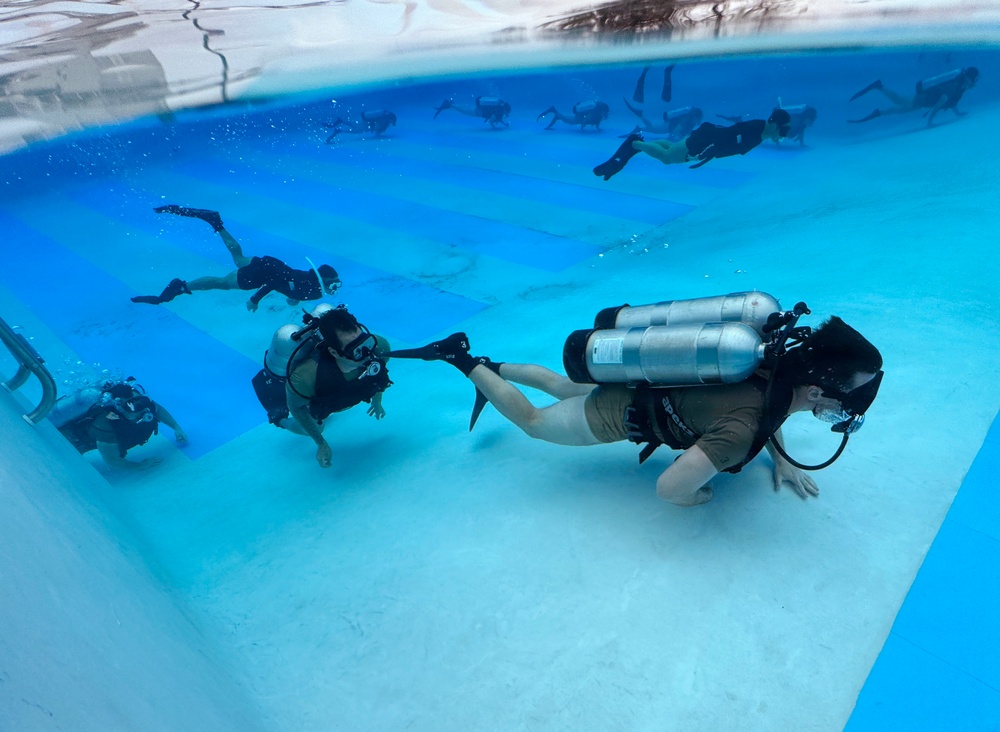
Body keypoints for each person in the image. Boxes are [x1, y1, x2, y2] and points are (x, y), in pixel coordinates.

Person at [389, 312, 883, 507]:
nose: (845, 413)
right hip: (614, 414)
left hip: (631, 377)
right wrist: (700, 497)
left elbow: (772, 415)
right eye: (848, 402)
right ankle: (460, 359)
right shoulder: (741, 428)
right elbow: (669, 489)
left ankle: (490, 363)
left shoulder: (765, 361)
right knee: (536, 423)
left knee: (564, 386)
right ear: (816, 391)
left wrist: (785, 460)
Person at [132, 206, 341, 311]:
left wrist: (293, 296)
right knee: (223, 283)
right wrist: (254, 299)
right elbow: (275, 283)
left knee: (238, 257)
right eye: (332, 283)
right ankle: (182, 286)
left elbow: (290, 284)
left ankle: (216, 223)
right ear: (321, 281)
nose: (334, 287)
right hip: (264, 274)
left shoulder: (311, 287)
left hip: (272, 264)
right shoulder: (312, 291)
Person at [256, 306, 391, 468]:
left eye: (365, 342)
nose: (367, 353)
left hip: (339, 395)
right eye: (354, 350)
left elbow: (379, 375)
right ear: (334, 353)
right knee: (316, 427)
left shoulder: (378, 347)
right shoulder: (305, 377)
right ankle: (280, 420)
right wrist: (321, 443)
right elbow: (296, 408)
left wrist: (377, 400)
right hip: (315, 397)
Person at [593, 108, 792, 180]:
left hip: (708, 137)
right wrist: (710, 150)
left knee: (672, 150)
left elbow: (734, 146)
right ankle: (636, 144)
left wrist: (713, 152)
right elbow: (732, 135)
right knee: (668, 158)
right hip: (707, 138)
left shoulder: (759, 133)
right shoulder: (756, 130)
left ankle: (640, 144)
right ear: (773, 123)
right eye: (782, 130)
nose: (782, 135)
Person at [50, 378, 187, 470]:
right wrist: (139, 465)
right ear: (120, 408)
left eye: (141, 401)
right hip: (71, 439)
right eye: (132, 407)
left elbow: (158, 410)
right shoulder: (105, 425)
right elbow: (113, 461)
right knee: (61, 461)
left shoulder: (143, 405)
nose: (142, 409)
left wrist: (177, 428)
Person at [848, 67, 979, 126]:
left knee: (902, 108)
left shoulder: (959, 88)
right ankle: (879, 87)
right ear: (968, 79)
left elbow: (952, 103)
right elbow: (939, 105)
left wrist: (958, 113)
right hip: (923, 99)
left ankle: (879, 110)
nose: (974, 83)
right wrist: (930, 122)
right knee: (899, 101)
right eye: (974, 80)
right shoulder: (954, 86)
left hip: (924, 100)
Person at [621, 103, 704, 140]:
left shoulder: (690, 120)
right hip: (668, 126)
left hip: (668, 126)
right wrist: (673, 136)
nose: (699, 120)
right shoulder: (687, 120)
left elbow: (685, 131)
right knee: (652, 128)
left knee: (652, 129)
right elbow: (677, 129)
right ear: (696, 117)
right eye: (699, 118)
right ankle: (641, 115)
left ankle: (639, 128)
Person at [433, 96, 511, 128]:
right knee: (464, 110)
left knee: (465, 109)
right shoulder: (499, 112)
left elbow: (498, 118)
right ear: (505, 110)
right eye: (508, 113)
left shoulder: (499, 110)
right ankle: (451, 104)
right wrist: (494, 127)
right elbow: (491, 120)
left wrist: (504, 124)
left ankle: (451, 103)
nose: (507, 115)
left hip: (479, 109)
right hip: (478, 112)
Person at [323, 109, 397, 142]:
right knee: (355, 130)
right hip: (367, 126)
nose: (391, 124)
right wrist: (379, 134)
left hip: (366, 123)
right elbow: (377, 128)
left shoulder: (383, 119)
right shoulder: (384, 121)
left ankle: (342, 122)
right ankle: (339, 130)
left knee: (354, 125)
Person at [536, 100, 610, 130]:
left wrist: (597, 127)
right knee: (570, 121)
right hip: (579, 117)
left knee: (569, 120)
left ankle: (556, 113)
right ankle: (555, 112)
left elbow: (597, 121)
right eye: (605, 112)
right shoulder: (595, 113)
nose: (605, 114)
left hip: (580, 116)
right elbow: (586, 119)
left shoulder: (599, 114)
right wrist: (582, 129)